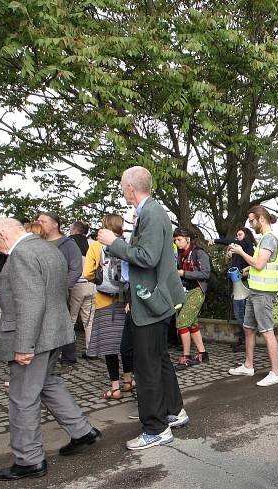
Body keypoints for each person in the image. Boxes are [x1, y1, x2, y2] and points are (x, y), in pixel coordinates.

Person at [0, 218, 102, 481]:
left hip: (34, 338)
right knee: (48, 383)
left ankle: (29, 460)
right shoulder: (48, 248)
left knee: (22, 396)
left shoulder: (21, 255)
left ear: (2, 234)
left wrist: (24, 345)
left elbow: (30, 302)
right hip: (55, 333)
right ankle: (82, 431)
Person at [97, 166, 188, 450]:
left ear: (130, 188)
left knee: (145, 366)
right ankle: (174, 411)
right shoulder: (152, 211)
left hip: (150, 302)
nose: (122, 191)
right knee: (159, 359)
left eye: (122, 186)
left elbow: (146, 258)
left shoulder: (150, 213)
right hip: (154, 301)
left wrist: (115, 243)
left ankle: (155, 429)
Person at [227, 205, 278, 386]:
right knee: (248, 328)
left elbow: (259, 264)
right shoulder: (264, 239)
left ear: (261, 218)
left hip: (263, 293)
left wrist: (241, 253)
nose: (250, 225)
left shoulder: (268, 240)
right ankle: (248, 366)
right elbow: (260, 265)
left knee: (267, 332)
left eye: (251, 220)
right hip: (255, 290)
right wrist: (247, 269)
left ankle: (276, 372)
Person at [84, 214, 134, 400]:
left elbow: (87, 272)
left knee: (109, 348)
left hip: (104, 302)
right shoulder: (124, 245)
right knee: (125, 344)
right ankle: (128, 380)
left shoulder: (96, 246)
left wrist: (98, 279)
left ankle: (115, 388)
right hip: (126, 302)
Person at [36, 211, 84, 373]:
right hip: (38, 292)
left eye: (43, 221)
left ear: (55, 224)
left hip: (59, 293)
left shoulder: (67, 243)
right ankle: (44, 358)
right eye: (38, 221)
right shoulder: (38, 242)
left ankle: (68, 359)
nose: (39, 223)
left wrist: (63, 287)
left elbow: (76, 268)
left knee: (62, 324)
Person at [172, 227, 211, 370]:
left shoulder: (199, 253)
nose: (177, 242)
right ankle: (202, 353)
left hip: (198, 290)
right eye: (175, 240)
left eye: (179, 239)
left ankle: (186, 357)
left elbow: (205, 274)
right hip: (187, 291)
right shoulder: (181, 254)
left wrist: (183, 273)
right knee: (192, 324)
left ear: (187, 239)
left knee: (181, 322)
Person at [215, 227, 256, 353]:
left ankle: (246, 341)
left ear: (247, 235)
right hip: (236, 283)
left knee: (242, 312)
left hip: (245, 283)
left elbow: (254, 263)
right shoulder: (237, 248)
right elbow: (228, 262)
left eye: (240, 234)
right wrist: (229, 255)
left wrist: (245, 271)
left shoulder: (248, 245)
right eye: (236, 235)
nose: (237, 237)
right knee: (238, 312)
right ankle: (244, 339)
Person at [67, 220, 98, 360]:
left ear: (75, 230)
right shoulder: (94, 244)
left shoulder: (69, 243)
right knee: (89, 320)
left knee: (70, 319)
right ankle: (91, 351)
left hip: (76, 285)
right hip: (92, 284)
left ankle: (68, 353)